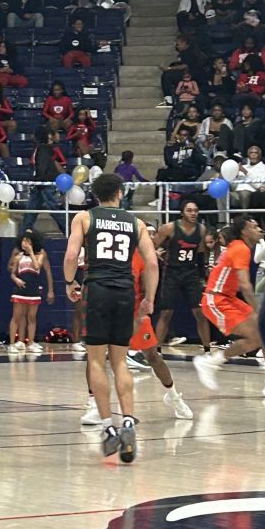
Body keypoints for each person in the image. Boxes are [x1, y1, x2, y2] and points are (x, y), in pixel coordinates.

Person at [64, 173, 158, 462]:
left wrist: (70, 283)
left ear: (94, 195)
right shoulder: (137, 222)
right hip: (125, 291)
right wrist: (149, 300)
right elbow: (152, 263)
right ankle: (129, 419)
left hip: (99, 289)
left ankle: (108, 427)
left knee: (96, 359)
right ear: (120, 192)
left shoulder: (84, 218)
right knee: (120, 361)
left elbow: (70, 256)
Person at [81, 233, 193, 424]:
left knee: (153, 357)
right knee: (95, 358)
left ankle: (173, 396)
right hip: (107, 312)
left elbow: (150, 288)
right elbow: (88, 282)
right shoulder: (104, 255)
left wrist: (144, 312)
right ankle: (94, 405)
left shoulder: (143, 259)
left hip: (134, 314)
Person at [194, 216, 265, 389]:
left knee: (262, 333)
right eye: (254, 227)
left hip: (228, 298)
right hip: (216, 299)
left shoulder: (241, 247)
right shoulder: (241, 248)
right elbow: (245, 284)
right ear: (244, 231)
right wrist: (256, 310)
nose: (259, 230)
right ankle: (210, 362)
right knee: (256, 336)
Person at [151, 200, 211, 352]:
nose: (193, 213)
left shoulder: (201, 229)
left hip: (190, 273)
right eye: (189, 210)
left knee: (200, 312)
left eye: (195, 210)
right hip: (172, 272)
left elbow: (201, 252)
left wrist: (203, 274)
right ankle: (158, 349)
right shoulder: (169, 228)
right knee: (166, 312)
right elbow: (151, 247)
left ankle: (207, 349)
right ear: (182, 212)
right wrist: (156, 255)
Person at [7, 230, 54, 354]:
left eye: (28, 241)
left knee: (32, 317)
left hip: (33, 290)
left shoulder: (40, 255)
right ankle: (12, 343)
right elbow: (12, 273)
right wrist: (16, 279)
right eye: (23, 240)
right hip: (20, 290)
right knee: (16, 317)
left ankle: (30, 342)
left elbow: (37, 267)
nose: (25, 243)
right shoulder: (18, 257)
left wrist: (31, 252)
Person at [20, 127, 66, 235]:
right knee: (31, 210)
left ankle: (69, 231)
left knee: (54, 209)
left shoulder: (42, 149)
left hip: (45, 183)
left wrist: (39, 180)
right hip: (40, 184)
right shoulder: (42, 148)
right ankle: (23, 235)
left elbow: (42, 166)